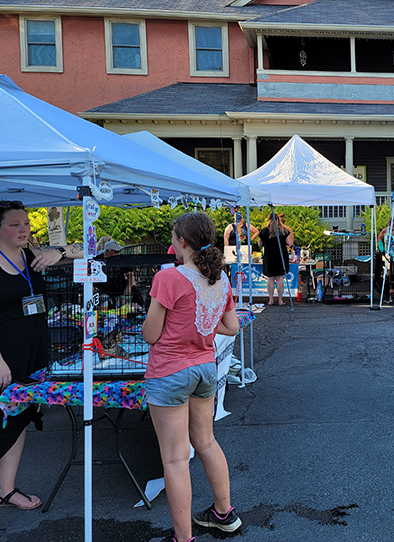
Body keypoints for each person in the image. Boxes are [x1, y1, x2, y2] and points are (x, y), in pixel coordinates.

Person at [142, 212, 241, 542]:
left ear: (181, 242)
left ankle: (183, 538)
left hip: (169, 371)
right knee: (207, 442)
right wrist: (201, 327)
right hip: (205, 369)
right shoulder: (220, 279)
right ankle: (224, 513)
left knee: (174, 458)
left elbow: (151, 335)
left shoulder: (168, 278)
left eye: (173, 236)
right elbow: (231, 326)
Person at [0, 200, 83, 510]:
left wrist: (57, 252)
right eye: (15, 224)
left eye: (26, 223)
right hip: (0, 359)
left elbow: (86, 250)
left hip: (34, 354)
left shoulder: (34, 256)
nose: (23, 229)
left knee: (20, 419)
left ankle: (4, 490)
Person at [258, 213, 294, 306]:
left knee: (270, 278)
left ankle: (270, 299)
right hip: (280, 255)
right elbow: (289, 242)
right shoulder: (283, 230)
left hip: (269, 255)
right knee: (279, 278)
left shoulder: (265, 230)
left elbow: (260, 244)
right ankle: (280, 300)